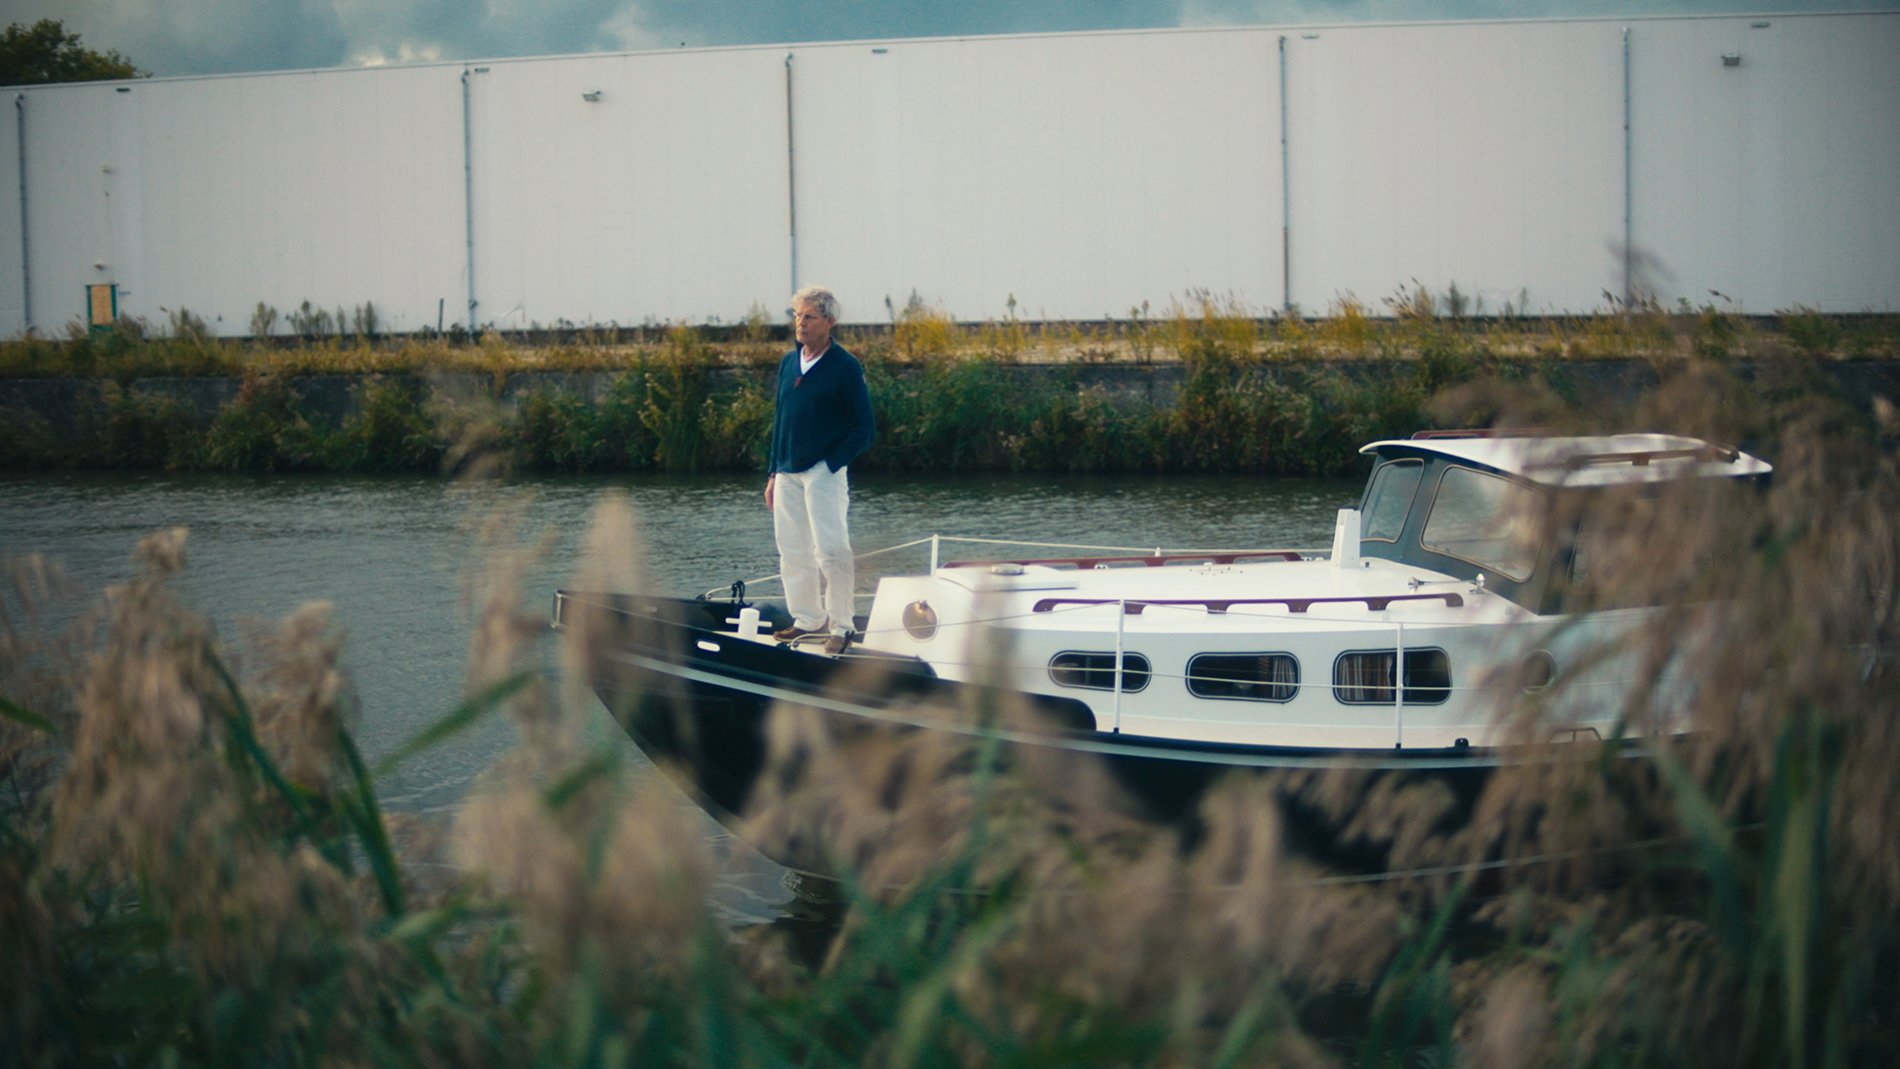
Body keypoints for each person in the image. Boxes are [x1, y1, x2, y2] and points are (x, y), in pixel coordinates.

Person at [764, 286, 875, 653]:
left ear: (829, 322)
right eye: (797, 316)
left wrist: (831, 464)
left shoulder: (845, 367)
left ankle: (842, 626)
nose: (801, 323)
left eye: (809, 317)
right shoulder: (787, 363)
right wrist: (772, 473)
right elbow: (781, 420)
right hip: (786, 472)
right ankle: (807, 620)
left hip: (822, 472)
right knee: (792, 550)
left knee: (830, 550)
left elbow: (864, 428)